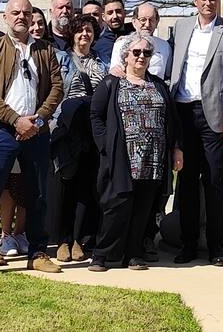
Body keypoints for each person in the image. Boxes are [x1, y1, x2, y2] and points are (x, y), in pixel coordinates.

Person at [0, 0, 64, 276]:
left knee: (37, 195)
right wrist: (15, 120)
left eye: (26, 13)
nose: (21, 17)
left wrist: (39, 118)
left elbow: (57, 87)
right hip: (1, 131)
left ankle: (37, 253)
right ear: (6, 17)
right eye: (16, 13)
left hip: (36, 131)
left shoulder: (46, 50)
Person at [166, 0, 223, 266]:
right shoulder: (181, 27)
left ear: (218, 1)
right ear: (194, 1)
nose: (207, 3)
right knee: (186, 182)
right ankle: (188, 244)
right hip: (183, 111)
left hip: (214, 115)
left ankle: (215, 247)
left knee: (214, 182)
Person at [88, 31, 181, 271]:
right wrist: (105, 144)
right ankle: (102, 255)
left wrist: (175, 149)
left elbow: (172, 119)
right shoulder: (111, 83)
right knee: (116, 206)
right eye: (136, 52)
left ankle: (134, 253)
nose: (141, 57)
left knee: (143, 209)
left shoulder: (158, 85)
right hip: (122, 157)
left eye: (146, 53)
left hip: (153, 158)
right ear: (126, 56)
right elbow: (96, 116)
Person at [53, 13, 107, 263]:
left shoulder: (102, 63)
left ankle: (77, 239)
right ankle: (63, 239)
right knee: (67, 185)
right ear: (72, 34)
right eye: (80, 30)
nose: (84, 34)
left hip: (93, 131)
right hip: (69, 130)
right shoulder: (62, 59)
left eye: (89, 30)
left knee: (87, 187)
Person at [111, 3, 172, 78]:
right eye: (142, 20)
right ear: (134, 22)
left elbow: (168, 75)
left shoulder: (165, 46)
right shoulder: (120, 44)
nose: (147, 24)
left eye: (151, 20)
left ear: (157, 22)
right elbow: (114, 71)